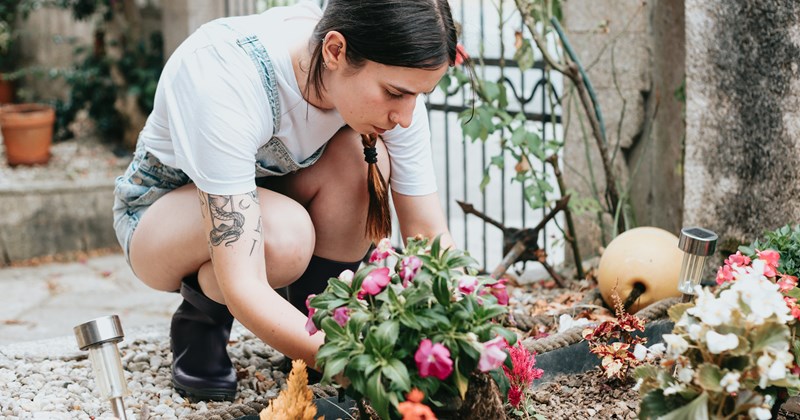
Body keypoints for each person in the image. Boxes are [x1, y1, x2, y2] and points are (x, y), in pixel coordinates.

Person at [112, 0, 459, 402]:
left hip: (268, 200)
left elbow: (429, 236)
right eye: (395, 93)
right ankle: (201, 322)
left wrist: (463, 331)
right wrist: (361, 366)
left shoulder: (389, 75)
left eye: (419, 95)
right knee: (283, 237)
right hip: (158, 218)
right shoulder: (224, 75)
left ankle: (314, 327)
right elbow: (245, 282)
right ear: (334, 50)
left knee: (365, 161)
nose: (406, 116)